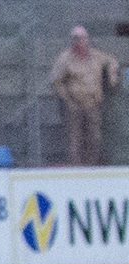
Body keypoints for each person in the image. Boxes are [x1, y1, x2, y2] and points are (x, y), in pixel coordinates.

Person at [51, 26, 121, 167]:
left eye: (82, 38)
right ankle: (75, 165)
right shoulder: (65, 58)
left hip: (92, 102)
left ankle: (93, 165)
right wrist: (67, 99)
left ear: (87, 39)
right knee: (74, 137)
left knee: (94, 136)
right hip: (74, 103)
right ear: (72, 40)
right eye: (76, 38)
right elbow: (55, 80)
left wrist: (111, 75)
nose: (79, 41)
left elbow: (113, 62)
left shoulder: (96, 55)